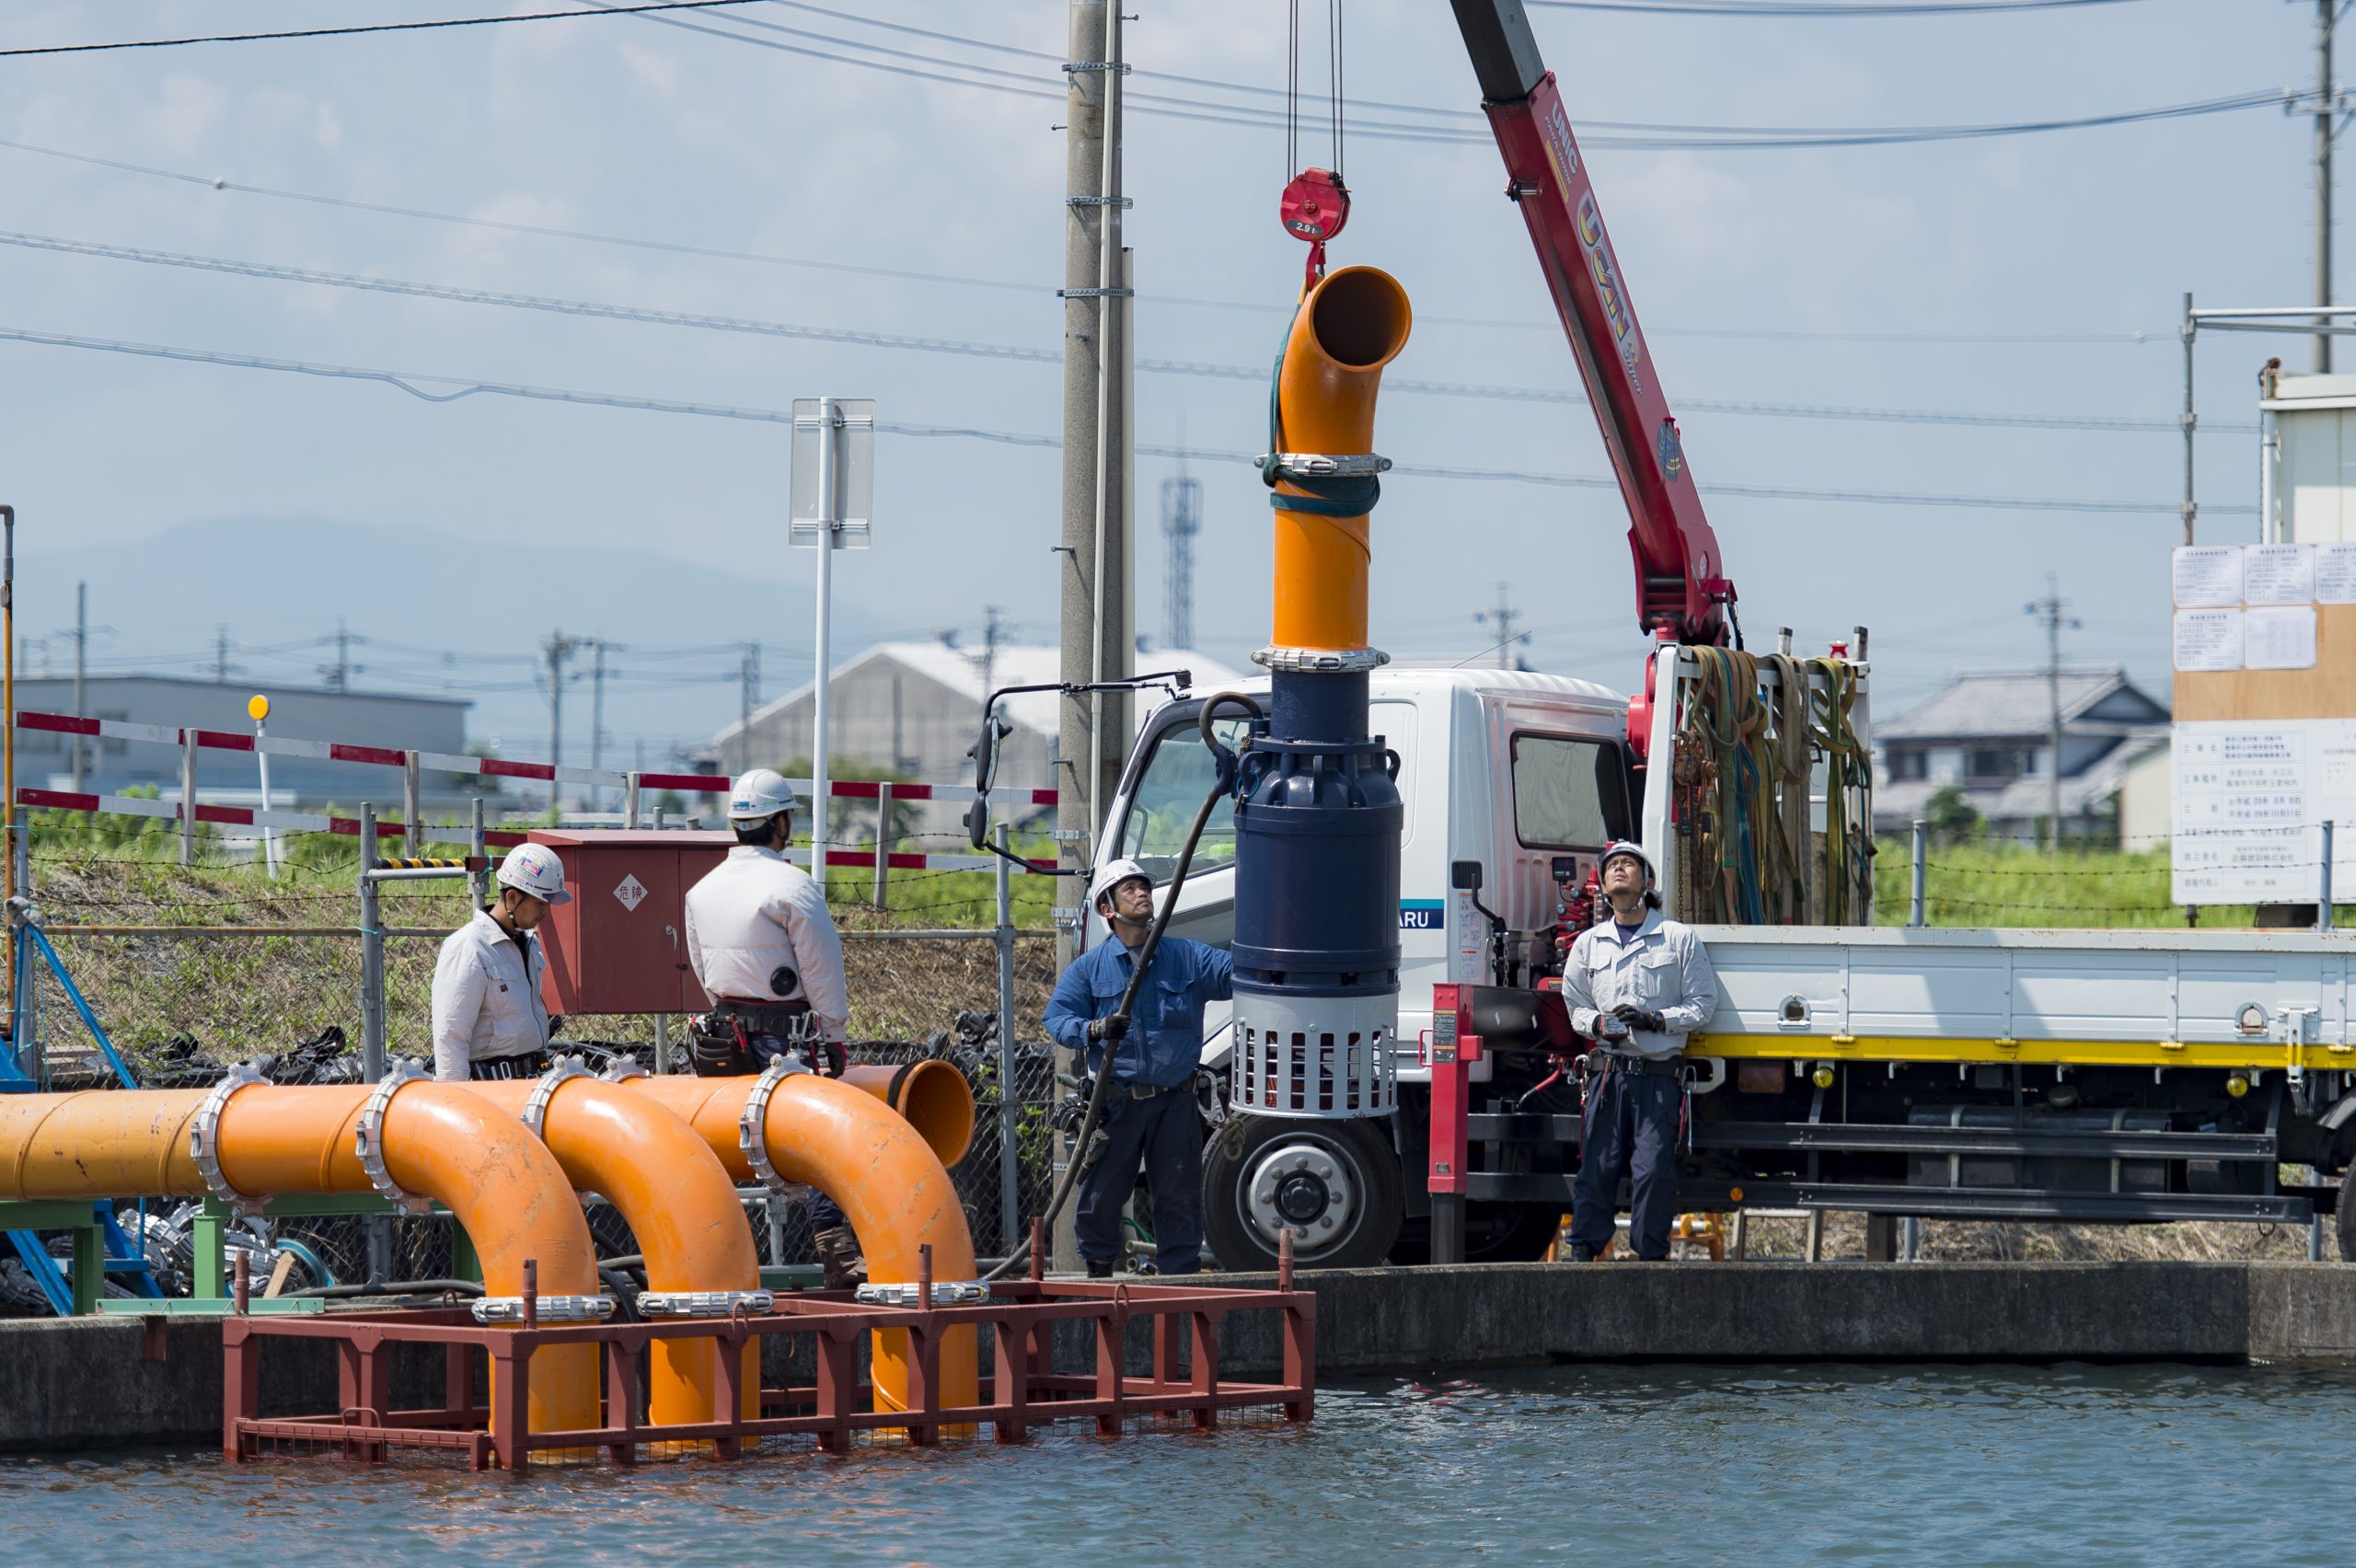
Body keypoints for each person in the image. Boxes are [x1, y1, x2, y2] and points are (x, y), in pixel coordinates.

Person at [681, 767, 860, 1286]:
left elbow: (702, 969)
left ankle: (711, 1259)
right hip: (788, 1038)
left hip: (722, 1038)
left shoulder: (702, 890)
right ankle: (836, 1251)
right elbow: (823, 969)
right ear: (779, 822)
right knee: (816, 1139)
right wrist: (834, 1034)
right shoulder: (792, 886)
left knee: (724, 1145)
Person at [1043, 858, 1234, 1277]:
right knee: (1101, 1197)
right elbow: (1055, 1020)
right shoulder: (1090, 970)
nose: (1142, 892)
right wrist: (1094, 1028)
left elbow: (1236, 972)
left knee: (1178, 1194)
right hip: (1116, 1106)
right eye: (1128, 889)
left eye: (1143, 886)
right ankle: (1099, 1278)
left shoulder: (1186, 956)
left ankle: (1178, 1283)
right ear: (1107, 909)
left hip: (1175, 1103)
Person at [1561, 839, 1720, 1262]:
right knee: (1596, 1168)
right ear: (1602, 882)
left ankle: (1649, 1261)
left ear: (1647, 881)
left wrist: (1657, 1020)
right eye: (1612, 864)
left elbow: (1702, 1005)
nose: (1619, 869)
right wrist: (1595, 1024)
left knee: (1652, 1172)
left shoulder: (1677, 939)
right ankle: (1583, 1256)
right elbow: (1575, 1003)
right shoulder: (1589, 944)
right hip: (1606, 1076)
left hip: (1656, 1077)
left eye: (1629, 863)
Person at [430, 842, 571, 1083]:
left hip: (528, 1081)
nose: (546, 911)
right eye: (540, 903)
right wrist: (456, 1101)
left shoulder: (528, 943)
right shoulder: (469, 946)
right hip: (489, 1089)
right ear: (513, 897)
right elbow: (450, 1037)